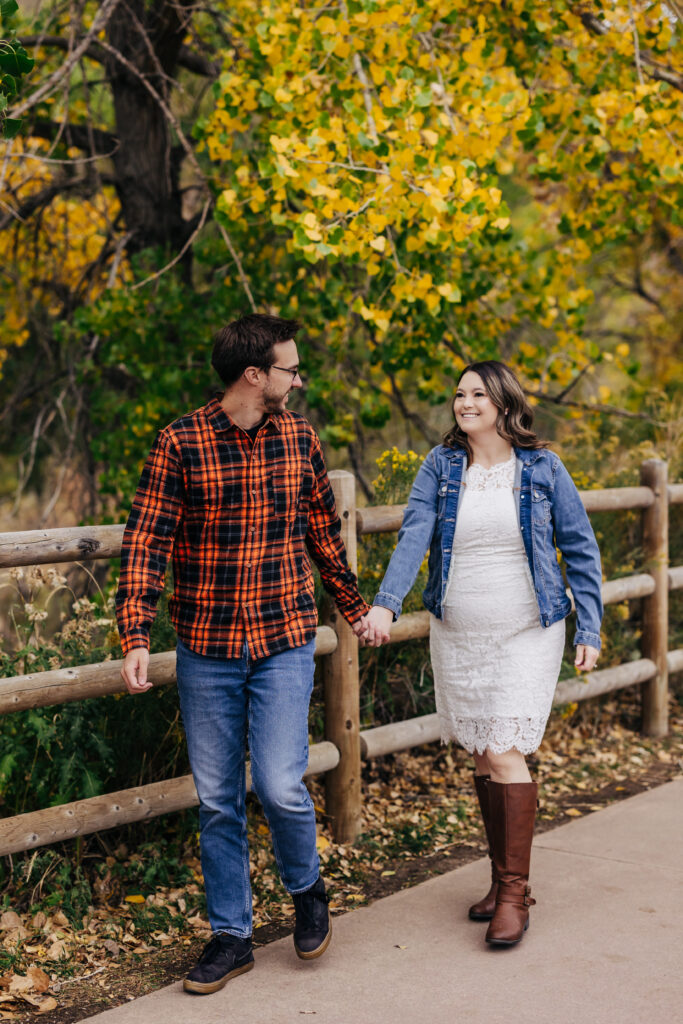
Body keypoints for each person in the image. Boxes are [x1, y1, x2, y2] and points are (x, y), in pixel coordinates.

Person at [116, 314, 377, 993]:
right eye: (291, 368)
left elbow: (324, 533)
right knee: (218, 801)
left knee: (280, 785)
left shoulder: (299, 437)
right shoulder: (179, 443)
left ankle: (307, 890)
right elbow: (146, 542)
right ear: (253, 375)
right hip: (206, 648)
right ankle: (231, 935)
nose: (299, 378)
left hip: (283, 639)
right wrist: (136, 634)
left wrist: (354, 610)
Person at [364, 360, 602, 947]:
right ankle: (501, 881)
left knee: (503, 749)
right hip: (460, 632)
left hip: (527, 628)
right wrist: (386, 604)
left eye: (477, 393)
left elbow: (579, 546)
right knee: (480, 754)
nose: (464, 402)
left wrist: (590, 627)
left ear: (502, 401)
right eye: (459, 393)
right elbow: (415, 532)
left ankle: (516, 895)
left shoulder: (543, 467)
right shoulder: (442, 466)